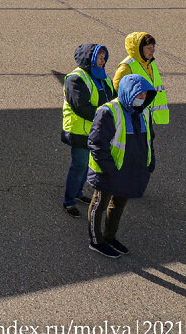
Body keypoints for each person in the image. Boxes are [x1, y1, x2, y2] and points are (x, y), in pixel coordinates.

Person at [85, 72, 157, 257]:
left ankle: (110, 236)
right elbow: (97, 143)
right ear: (128, 93)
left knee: (118, 205)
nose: (142, 98)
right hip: (109, 171)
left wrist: (150, 161)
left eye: (145, 95)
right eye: (139, 94)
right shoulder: (108, 111)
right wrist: (110, 170)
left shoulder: (145, 112)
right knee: (100, 204)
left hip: (131, 171)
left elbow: (149, 140)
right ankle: (96, 240)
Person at [60, 43, 113, 217]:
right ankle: (69, 201)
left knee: (87, 166)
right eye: (99, 56)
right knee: (79, 165)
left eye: (104, 57)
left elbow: (112, 99)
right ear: (89, 58)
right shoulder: (76, 78)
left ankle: (78, 192)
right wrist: (105, 116)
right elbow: (80, 107)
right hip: (79, 132)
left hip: (96, 131)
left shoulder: (103, 77)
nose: (102, 60)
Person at [113, 32, 168, 126]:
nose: (152, 51)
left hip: (152, 118)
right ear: (139, 49)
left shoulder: (150, 63)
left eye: (153, 47)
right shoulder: (126, 67)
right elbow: (119, 93)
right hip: (136, 118)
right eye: (149, 48)